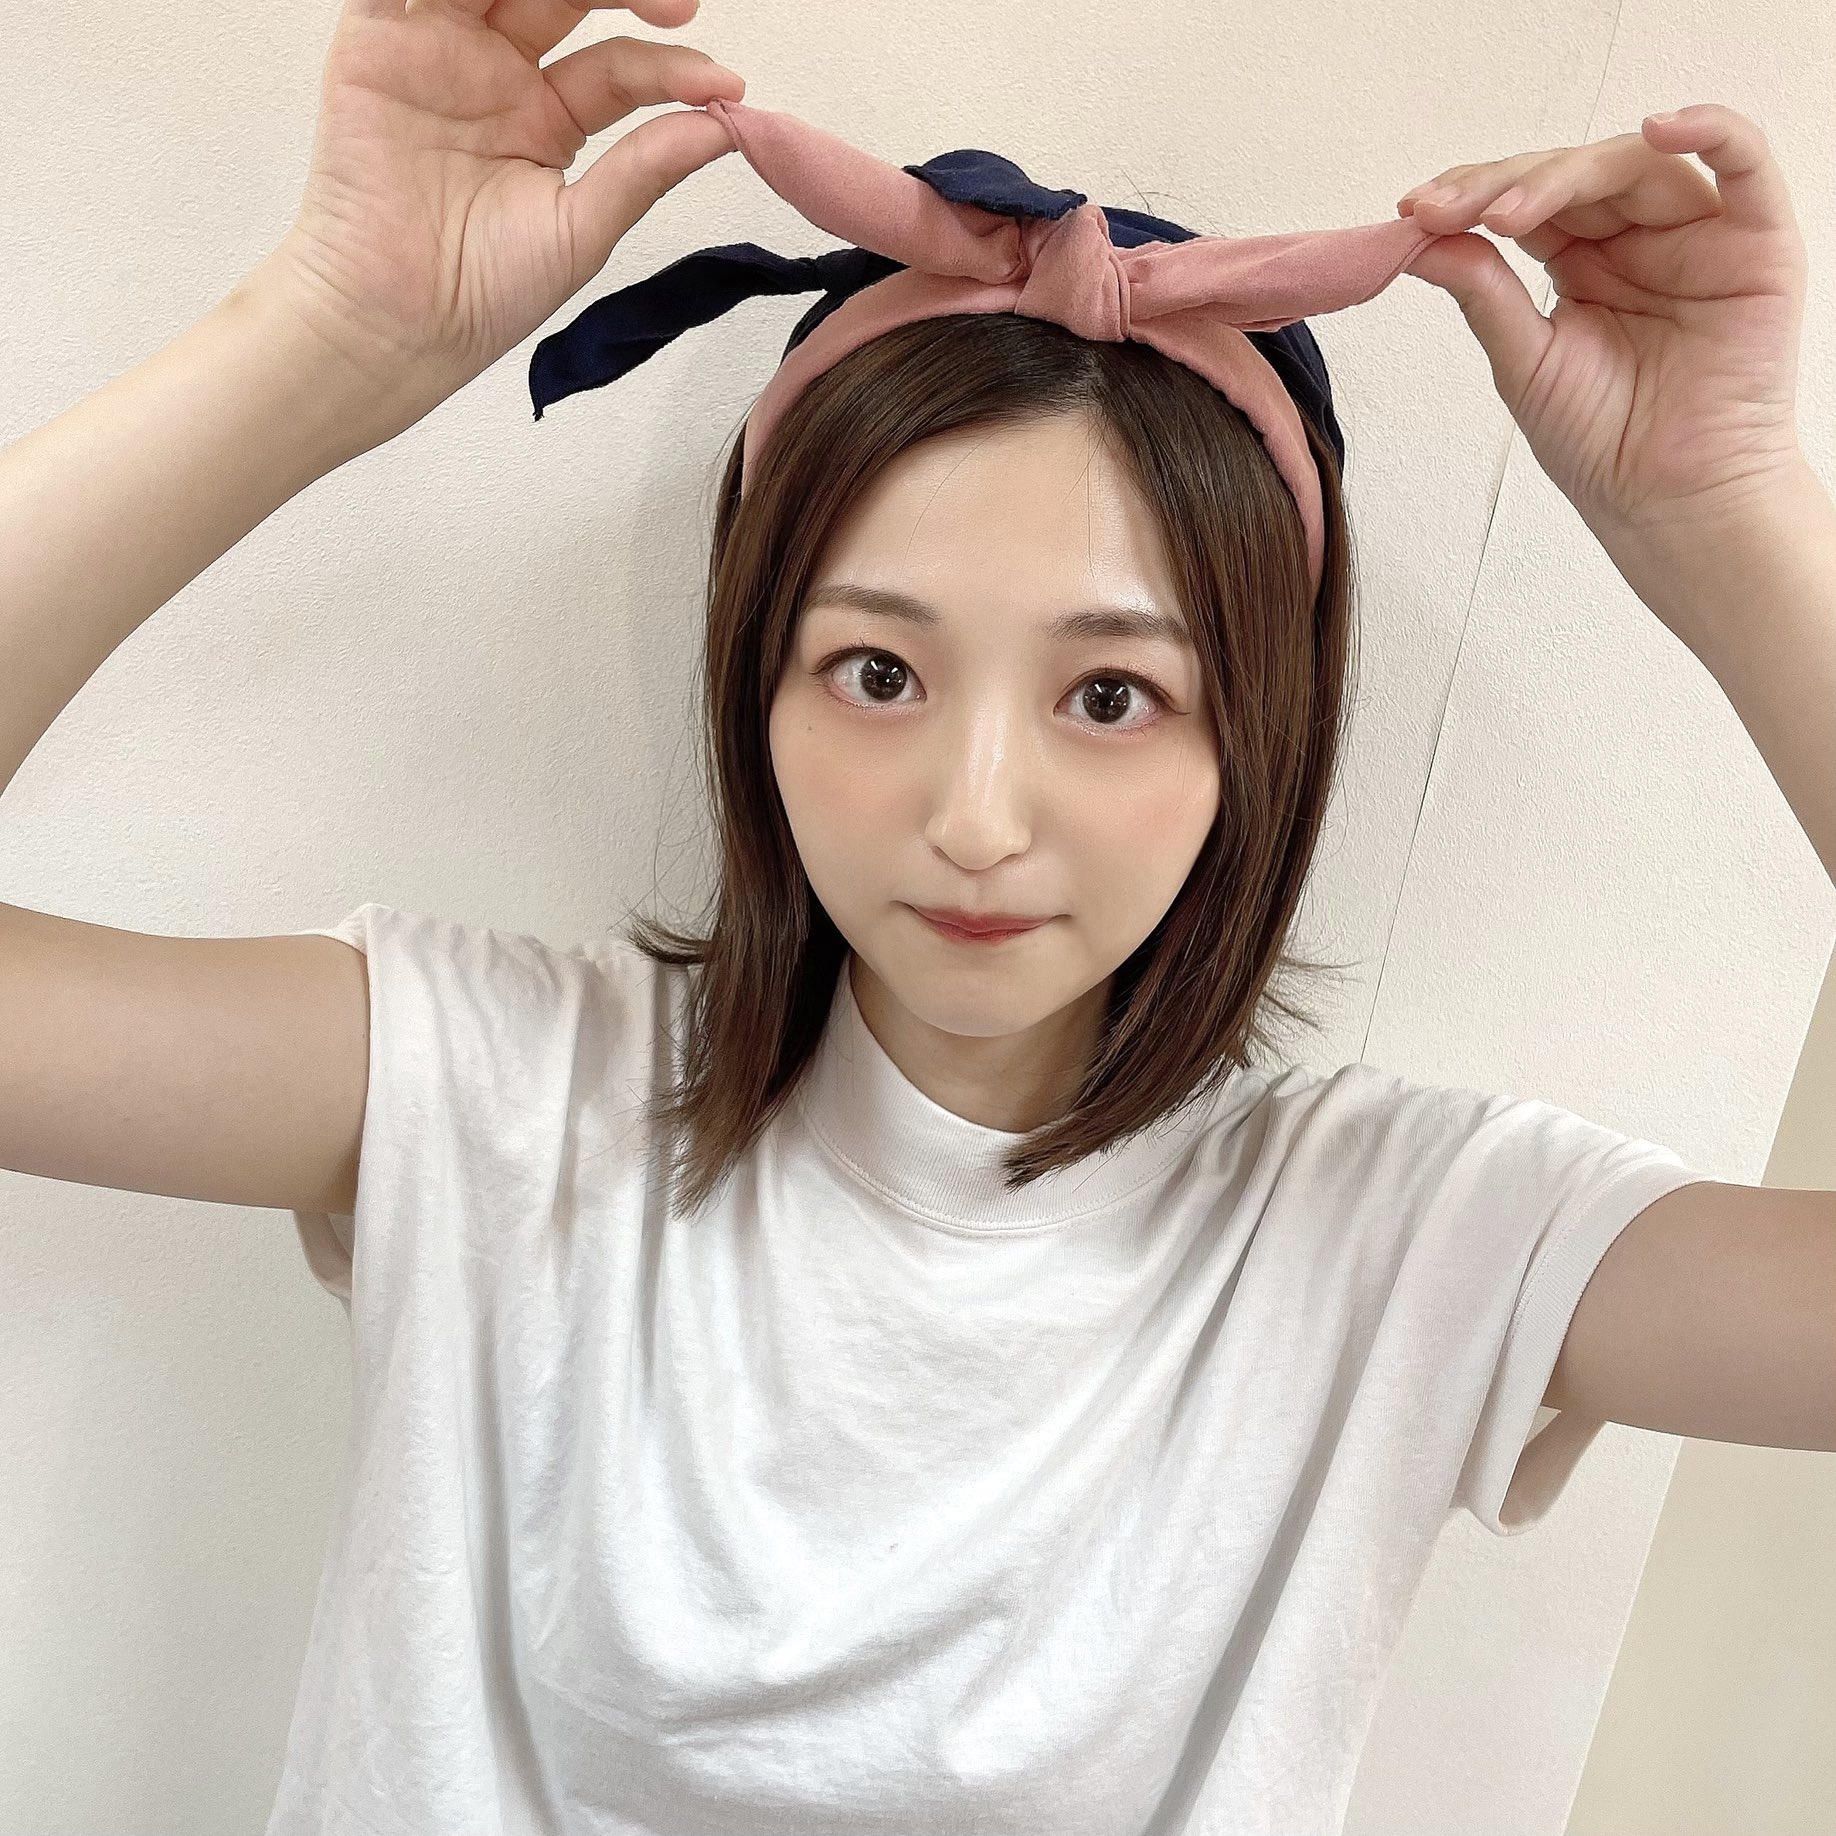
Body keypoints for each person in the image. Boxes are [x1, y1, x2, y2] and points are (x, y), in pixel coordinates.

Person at [6, 2, 1827, 1832]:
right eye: (878, 671)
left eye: (1110, 696)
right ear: (757, 685)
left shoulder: (1394, 1243)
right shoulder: (498, 1092)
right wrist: (331, 333)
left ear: (1255, 743)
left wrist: (1725, 513)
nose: (974, 818)